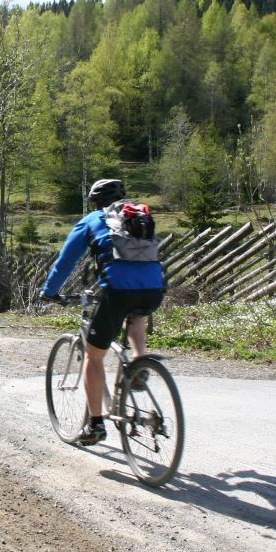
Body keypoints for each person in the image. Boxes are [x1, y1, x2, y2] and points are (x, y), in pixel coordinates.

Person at [40, 178, 166, 446]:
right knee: (136, 316)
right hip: (154, 289)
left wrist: (50, 290)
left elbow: (66, 260)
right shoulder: (137, 217)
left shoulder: (93, 220)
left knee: (94, 357)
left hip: (118, 291)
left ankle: (95, 424)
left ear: (95, 201)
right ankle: (139, 363)